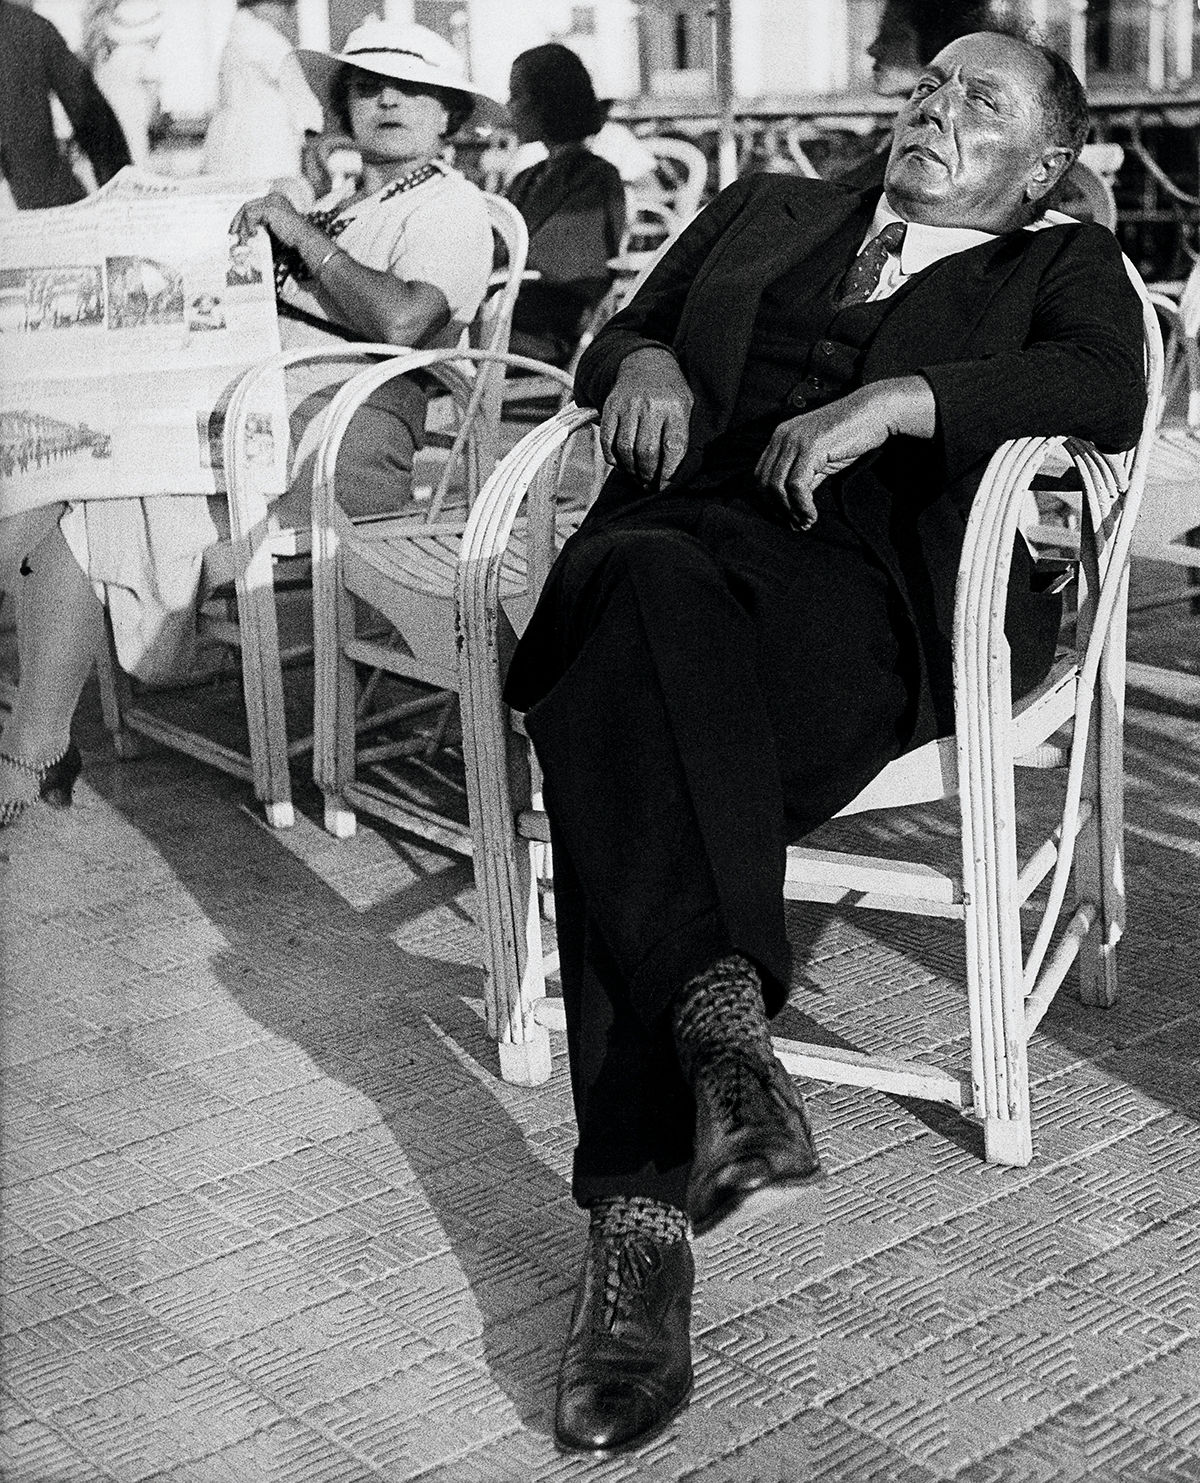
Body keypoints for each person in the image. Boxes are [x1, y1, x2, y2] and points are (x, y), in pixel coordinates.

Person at [501, 29, 1146, 1456]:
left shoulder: (1056, 266)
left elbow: (1107, 389)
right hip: (676, 544)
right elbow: (619, 325)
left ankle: (643, 1227)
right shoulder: (768, 206)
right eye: (929, 87)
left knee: (622, 687)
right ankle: (726, 1036)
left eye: (981, 99)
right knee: (642, 597)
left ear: (1042, 166)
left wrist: (901, 399)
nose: (934, 107)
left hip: (864, 602)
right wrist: (648, 361)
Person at [0, 19, 496, 826]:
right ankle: (40, 736)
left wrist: (296, 235)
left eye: (415, 89)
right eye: (367, 87)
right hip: (262, 419)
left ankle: (33, 748)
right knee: (52, 468)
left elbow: (405, 322)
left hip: (338, 444)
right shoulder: (334, 205)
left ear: (450, 116)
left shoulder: (452, 207)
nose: (389, 100)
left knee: (91, 499)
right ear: (343, 107)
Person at [504, 44, 627, 367]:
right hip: (510, 313)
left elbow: (560, 264)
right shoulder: (527, 178)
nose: (509, 107)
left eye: (516, 95)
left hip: (548, 330)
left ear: (548, 102)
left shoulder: (595, 177)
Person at [0, 0, 131, 212]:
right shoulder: (30, 28)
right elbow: (92, 116)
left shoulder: (30, 29)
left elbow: (90, 112)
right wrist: (122, 193)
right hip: (42, 203)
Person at [202, 0, 323, 191]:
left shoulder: (233, 40)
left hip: (228, 139)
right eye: (283, 7)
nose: (286, 14)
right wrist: (317, 125)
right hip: (266, 143)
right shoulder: (268, 40)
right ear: (264, 4)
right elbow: (297, 91)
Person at [81, 0, 163, 167]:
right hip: (135, 120)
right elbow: (153, 94)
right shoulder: (144, 58)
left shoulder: (108, 62)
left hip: (109, 122)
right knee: (136, 158)